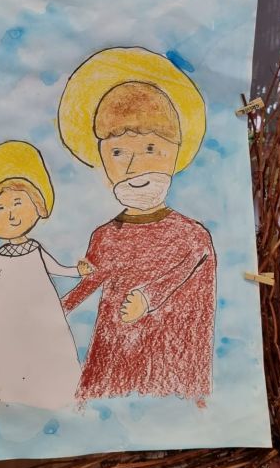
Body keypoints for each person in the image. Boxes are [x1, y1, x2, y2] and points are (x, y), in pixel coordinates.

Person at [58, 47, 216, 402]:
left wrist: (148, 297)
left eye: (150, 149)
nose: (134, 166)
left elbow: (186, 271)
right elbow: (91, 280)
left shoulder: (192, 235)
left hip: (171, 367)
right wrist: (56, 310)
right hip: (113, 361)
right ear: (102, 160)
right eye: (118, 152)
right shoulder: (104, 236)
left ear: (175, 152)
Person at [0, 140, 91, 409]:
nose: (12, 215)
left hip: (43, 313)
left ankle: (60, 397)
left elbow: (57, 269)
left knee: (48, 351)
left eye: (18, 202)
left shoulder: (36, 248)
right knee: (13, 357)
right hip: (10, 320)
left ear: (36, 204)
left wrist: (79, 271)